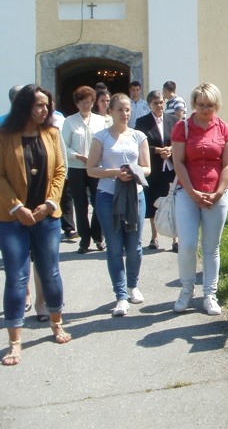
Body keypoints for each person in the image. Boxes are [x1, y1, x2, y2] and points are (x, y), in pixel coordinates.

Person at [0, 84, 71, 365]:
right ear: (25, 106)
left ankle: (56, 323)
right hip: (12, 219)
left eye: (48, 105)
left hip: (46, 217)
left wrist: (50, 204)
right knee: (16, 278)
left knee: (50, 272)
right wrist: (17, 207)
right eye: (40, 105)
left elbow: (60, 170)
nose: (45, 110)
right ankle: (15, 342)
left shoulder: (52, 133)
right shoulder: (5, 136)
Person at [171, 83, 228, 316]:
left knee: (211, 247)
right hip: (188, 193)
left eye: (210, 105)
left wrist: (219, 192)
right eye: (201, 105)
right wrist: (192, 192)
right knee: (187, 245)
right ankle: (186, 289)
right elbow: (178, 162)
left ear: (216, 105)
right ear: (193, 104)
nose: (206, 110)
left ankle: (210, 294)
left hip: (216, 194)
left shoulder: (225, 129)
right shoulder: (182, 128)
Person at [87, 93, 151, 317]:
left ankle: (133, 285)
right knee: (114, 248)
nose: (125, 114)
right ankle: (121, 295)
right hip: (107, 197)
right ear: (110, 111)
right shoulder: (101, 137)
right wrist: (116, 172)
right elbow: (91, 169)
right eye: (120, 110)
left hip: (135, 196)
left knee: (134, 247)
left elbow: (147, 168)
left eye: (127, 110)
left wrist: (132, 172)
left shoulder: (138, 136)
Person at [61, 86, 106, 253]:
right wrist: (77, 156)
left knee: (99, 203)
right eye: (83, 102)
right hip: (77, 167)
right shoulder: (69, 121)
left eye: (89, 102)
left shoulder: (100, 120)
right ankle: (84, 240)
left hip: (96, 166)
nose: (86, 105)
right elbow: (63, 146)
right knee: (80, 205)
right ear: (77, 103)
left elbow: (104, 142)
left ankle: (98, 236)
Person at [135, 90, 177, 252]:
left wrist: (171, 149)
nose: (159, 105)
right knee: (154, 202)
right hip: (155, 168)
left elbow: (181, 140)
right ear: (149, 105)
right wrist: (157, 151)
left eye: (161, 102)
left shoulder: (173, 119)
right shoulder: (142, 122)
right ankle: (154, 237)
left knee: (174, 201)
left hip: (172, 168)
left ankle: (175, 239)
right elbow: (140, 145)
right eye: (155, 103)